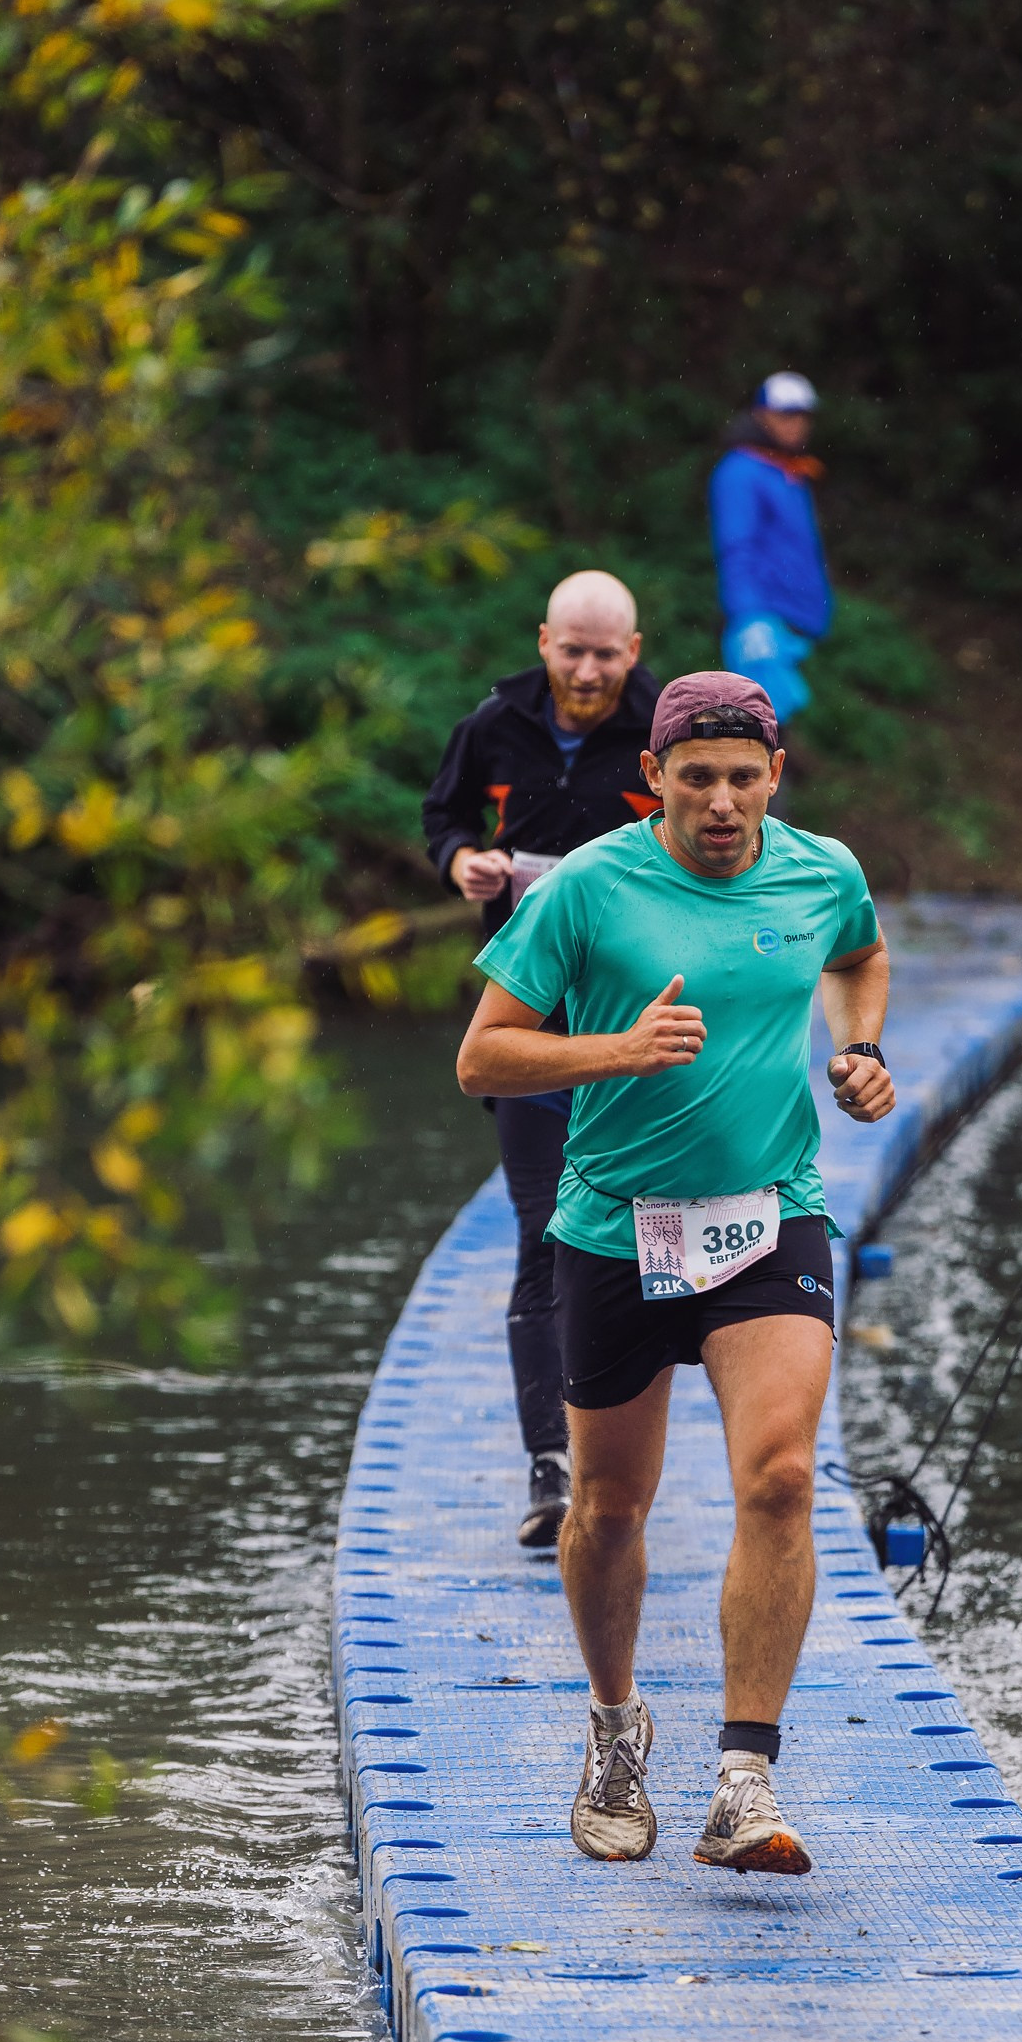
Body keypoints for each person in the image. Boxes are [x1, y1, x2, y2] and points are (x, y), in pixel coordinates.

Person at [455, 670, 893, 1877]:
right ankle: (611, 1729)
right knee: (607, 1509)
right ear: (654, 778)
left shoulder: (820, 871)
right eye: (693, 779)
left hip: (768, 1219)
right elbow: (481, 1057)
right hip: (614, 1231)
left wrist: (857, 1051)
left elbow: (859, 955)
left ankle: (743, 1781)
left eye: (740, 779)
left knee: (782, 1474)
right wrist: (617, 1049)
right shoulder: (592, 886)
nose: (718, 802)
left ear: (773, 778)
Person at [422, 571, 660, 1550]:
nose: (589, 671)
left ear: (634, 652)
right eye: (572, 651)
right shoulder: (493, 721)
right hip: (524, 1013)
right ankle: (549, 1466)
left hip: (634, 1011)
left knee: (629, 1223)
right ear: (544, 642)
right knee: (541, 1228)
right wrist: (460, 864)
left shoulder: (668, 731)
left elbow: (720, 840)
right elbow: (443, 817)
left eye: (607, 655)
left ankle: (618, 1448)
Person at [709, 373, 833, 727]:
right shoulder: (741, 471)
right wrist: (749, 618)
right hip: (763, 622)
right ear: (761, 416)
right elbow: (736, 546)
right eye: (786, 414)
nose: (796, 424)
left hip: (794, 622)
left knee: (779, 727)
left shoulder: (790, 471)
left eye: (803, 415)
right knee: (762, 729)